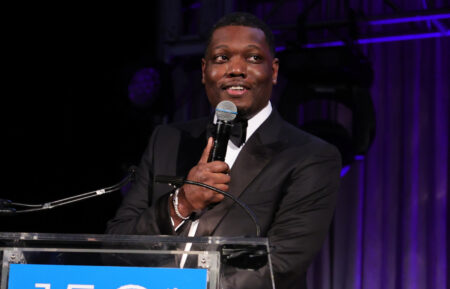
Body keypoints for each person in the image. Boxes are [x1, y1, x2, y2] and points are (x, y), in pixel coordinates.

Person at [106, 12, 341, 289]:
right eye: (222, 58)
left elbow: (281, 264)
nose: (236, 69)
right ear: (204, 71)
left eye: (253, 58)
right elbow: (118, 245)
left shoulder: (310, 156)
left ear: (274, 71)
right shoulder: (167, 139)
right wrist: (182, 202)